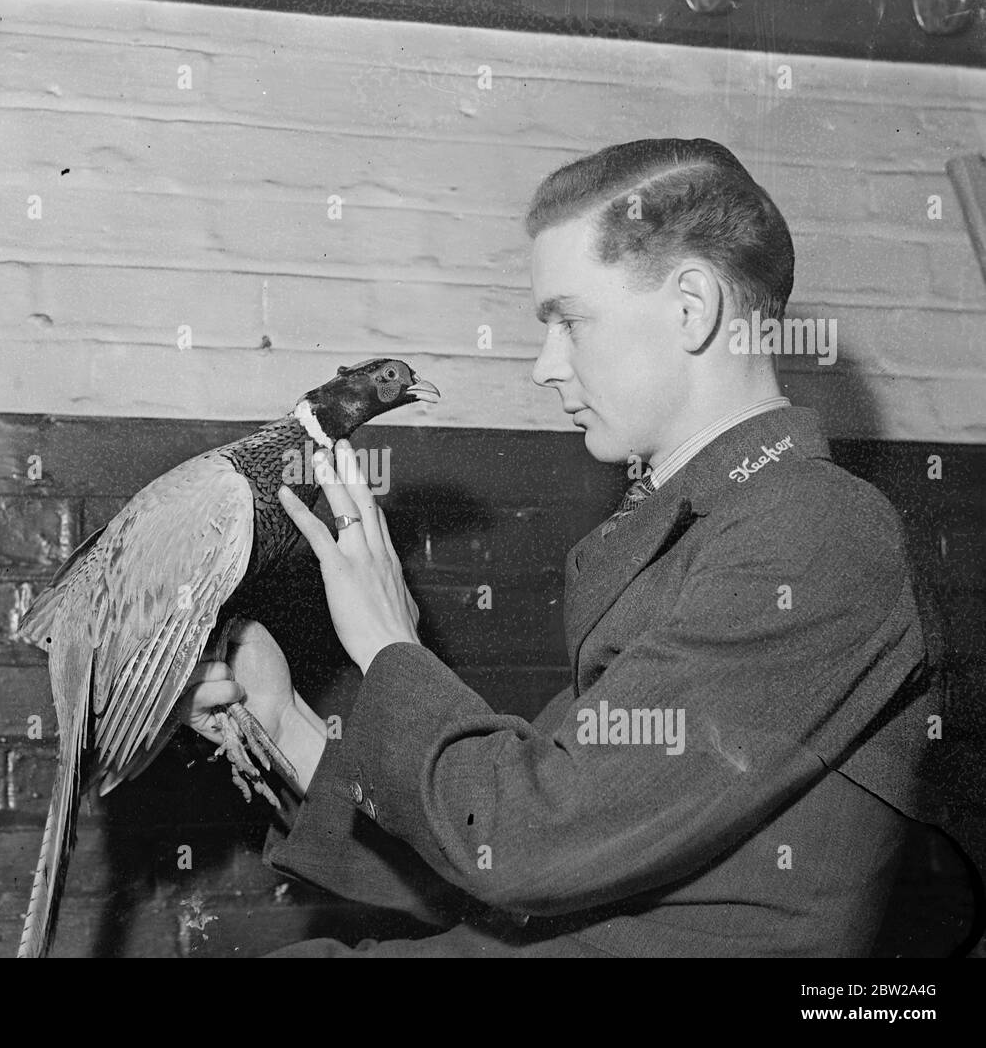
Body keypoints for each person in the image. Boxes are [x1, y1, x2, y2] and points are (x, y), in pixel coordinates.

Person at [180, 138, 947, 956]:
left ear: (692, 307)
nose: (546, 366)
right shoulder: (710, 529)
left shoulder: (814, 532)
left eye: (569, 322)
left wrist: (387, 644)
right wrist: (283, 720)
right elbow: (486, 861)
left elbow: (520, 846)